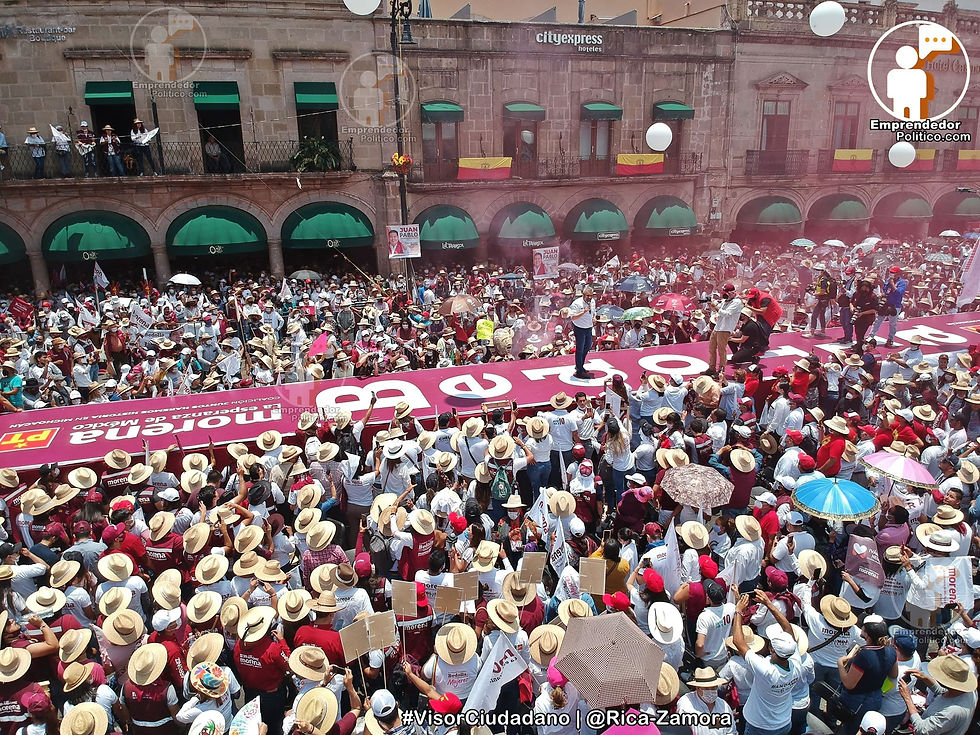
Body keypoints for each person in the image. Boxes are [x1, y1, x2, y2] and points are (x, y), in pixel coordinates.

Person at [568, 286, 595, 380]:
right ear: (583, 295)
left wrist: (594, 317)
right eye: (588, 295)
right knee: (580, 349)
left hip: (589, 327)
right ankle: (579, 370)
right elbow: (573, 317)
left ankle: (580, 364)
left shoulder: (592, 301)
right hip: (580, 328)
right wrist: (584, 312)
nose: (590, 297)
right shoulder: (577, 303)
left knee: (587, 347)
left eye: (591, 295)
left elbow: (593, 312)